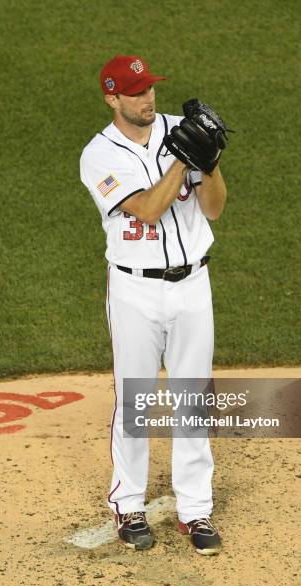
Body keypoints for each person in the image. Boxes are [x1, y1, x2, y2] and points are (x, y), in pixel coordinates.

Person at [80, 55, 227, 555]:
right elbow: (145, 208)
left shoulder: (181, 131)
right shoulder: (98, 155)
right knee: (136, 400)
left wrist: (209, 162)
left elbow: (213, 207)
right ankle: (129, 504)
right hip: (135, 292)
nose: (148, 99)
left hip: (193, 286)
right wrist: (185, 160)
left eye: (150, 89)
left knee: (193, 399)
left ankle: (195, 509)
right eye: (136, 92)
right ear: (112, 98)